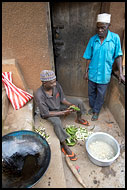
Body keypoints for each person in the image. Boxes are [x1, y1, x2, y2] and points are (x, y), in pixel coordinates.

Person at [34, 70, 89, 161]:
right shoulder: (39, 94)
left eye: (54, 81)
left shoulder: (56, 85)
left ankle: (79, 118)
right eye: (51, 83)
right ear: (44, 83)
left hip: (59, 105)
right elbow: (45, 113)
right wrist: (63, 113)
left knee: (78, 102)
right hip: (50, 112)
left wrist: (70, 105)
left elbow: (62, 99)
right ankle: (65, 145)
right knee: (57, 123)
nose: (54, 84)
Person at [83, 13, 125, 121]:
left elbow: (118, 56)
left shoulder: (115, 39)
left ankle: (96, 111)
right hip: (93, 72)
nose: (100, 30)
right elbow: (88, 56)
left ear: (108, 26)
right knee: (91, 92)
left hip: (104, 73)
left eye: (103, 28)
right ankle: (93, 107)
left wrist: (120, 73)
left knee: (101, 94)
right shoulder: (93, 39)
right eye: (98, 28)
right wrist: (86, 71)